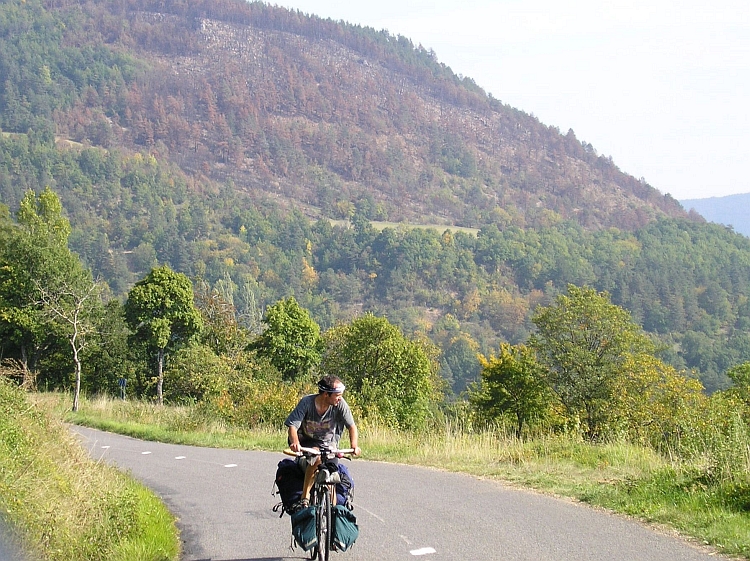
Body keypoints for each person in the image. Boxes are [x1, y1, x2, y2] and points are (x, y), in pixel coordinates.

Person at [285, 375, 361, 510]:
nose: (340, 398)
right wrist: (295, 443)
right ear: (326, 394)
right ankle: (305, 498)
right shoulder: (307, 403)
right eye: (337, 395)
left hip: (329, 445)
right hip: (308, 443)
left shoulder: (340, 404)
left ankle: (332, 511)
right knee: (317, 458)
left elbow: (352, 426)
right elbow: (292, 426)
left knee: (331, 474)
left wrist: (354, 445)